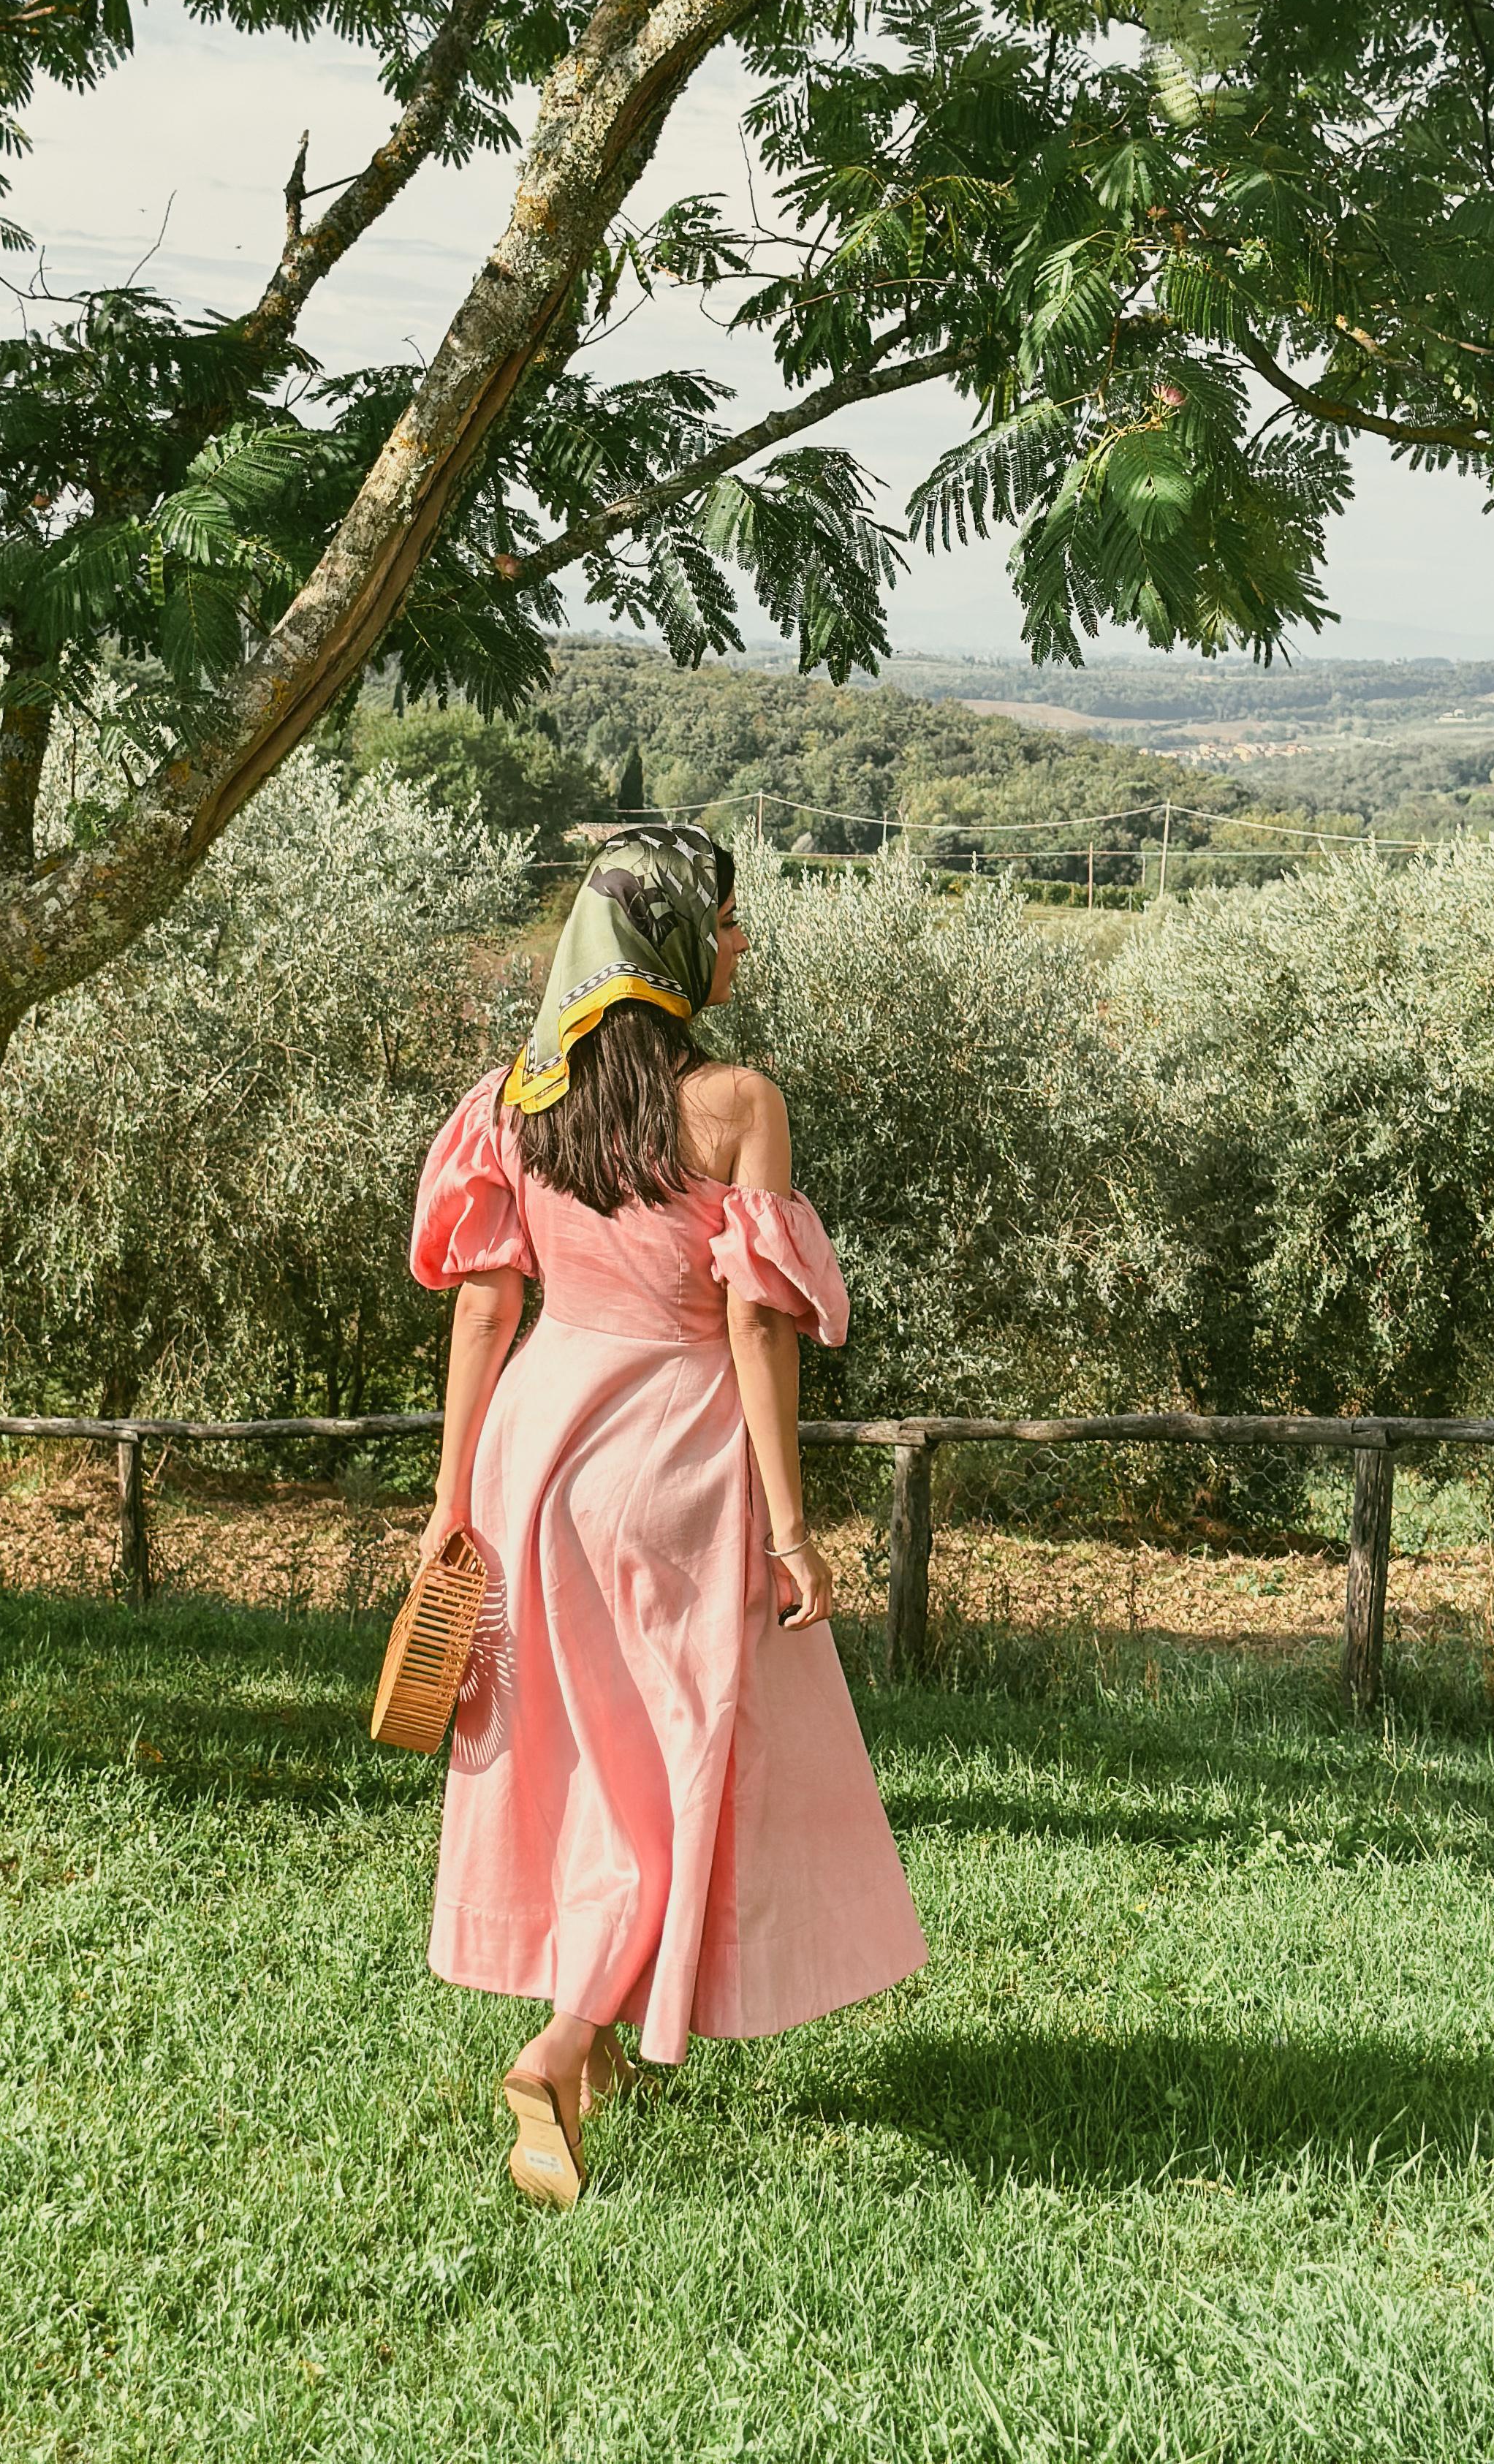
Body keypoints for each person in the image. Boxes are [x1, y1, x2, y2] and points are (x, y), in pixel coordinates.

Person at [407, 823, 926, 2207]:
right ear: (675, 936)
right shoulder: (738, 1103)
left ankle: (616, 2034)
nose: (742, 943)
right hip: (674, 1460)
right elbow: (759, 1325)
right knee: (680, 1767)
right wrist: (793, 1525)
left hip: (536, 1448)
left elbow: (482, 1306)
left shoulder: (512, 1103)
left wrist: (453, 1500)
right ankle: (565, 2041)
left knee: (586, 1759)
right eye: (730, 919)